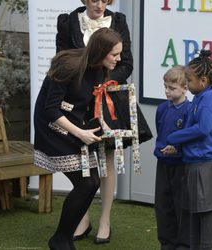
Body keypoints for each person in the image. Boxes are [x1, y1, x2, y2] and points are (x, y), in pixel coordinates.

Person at [56, 0, 152, 244]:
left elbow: (126, 62)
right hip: (77, 98)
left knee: (107, 158)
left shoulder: (118, 20)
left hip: (108, 98)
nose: (99, 5)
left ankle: (105, 220)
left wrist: (102, 81)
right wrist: (86, 82)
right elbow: (62, 59)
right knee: (80, 159)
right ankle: (82, 218)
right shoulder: (67, 22)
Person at [33, 27, 123, 250]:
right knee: (86, 183)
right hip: (51, 127)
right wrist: (80, 132)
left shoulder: (99, 69)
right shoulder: (68, 65)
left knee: (91, 182)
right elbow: (50, 109)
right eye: (115, 54)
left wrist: (102, 126)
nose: (119, 59)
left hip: (74, 126)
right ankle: (60, 240)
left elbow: (87, 104)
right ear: (101, 51)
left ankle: (62, 239)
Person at [165, 50, 212, 250]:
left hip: (206, 163)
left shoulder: (209, 98)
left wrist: (173, 137)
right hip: (195, 162)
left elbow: (203, 128)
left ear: (203, 80)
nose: (186, 83)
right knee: (194, 211)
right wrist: (177, 145)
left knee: (204, 212)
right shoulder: (199, 97)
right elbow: (192, 128)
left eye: (189, 79)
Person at [154, 66, 191, 250]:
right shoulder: (161, 109)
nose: (167, 91)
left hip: (182, 164)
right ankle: (166, 243)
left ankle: (183, 244)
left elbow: (190, 136)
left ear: (185, 88)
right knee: (163, 205)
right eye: (165, 87)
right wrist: (163, 149)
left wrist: (177, 148)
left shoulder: (190, 110)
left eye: (172, 88)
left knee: (182, 206)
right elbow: (161, 133)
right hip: (163, 162)